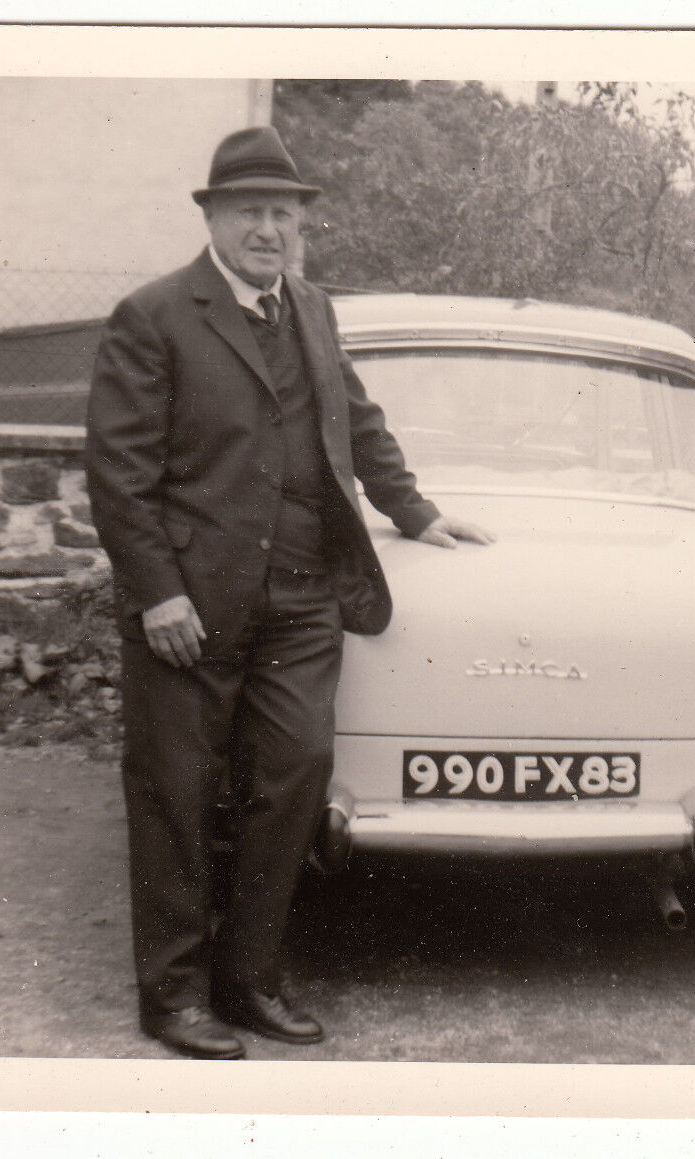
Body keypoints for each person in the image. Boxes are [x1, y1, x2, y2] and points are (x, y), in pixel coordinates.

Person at [87, 126, 493, 1059]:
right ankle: (176, 994)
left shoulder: (311, 309)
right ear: (214, 218)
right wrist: (157, 593)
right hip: (191, 608)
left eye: (285, 213)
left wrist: (417, 511)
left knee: (294, 779)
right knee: (177, 797)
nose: (271, 229)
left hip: (304, 600)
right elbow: (118, 471)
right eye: (251, 212)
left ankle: (251, 975)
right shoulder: (153, 316)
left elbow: (357, 419)